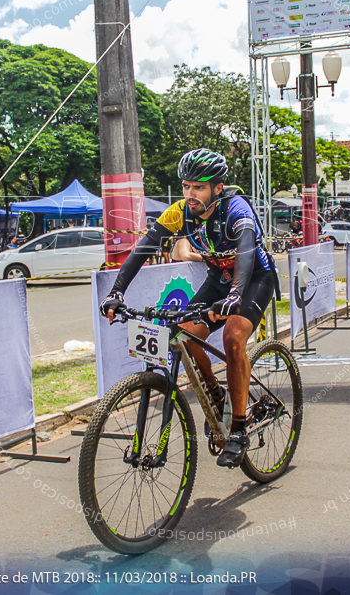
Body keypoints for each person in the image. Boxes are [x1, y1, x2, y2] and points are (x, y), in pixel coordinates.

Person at [100, 149, 277, 469]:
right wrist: (116, 293)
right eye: (186, 186)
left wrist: (236, 294)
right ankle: (216, 395)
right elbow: (143, 249)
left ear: (217, 188)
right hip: (219, 280)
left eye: (199, 187)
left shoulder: (235, 209)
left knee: (233, 337)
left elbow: (247, 251)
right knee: (183, 335)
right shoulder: (180, 212)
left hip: (253, 278)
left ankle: (238, 428)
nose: (190, 194)